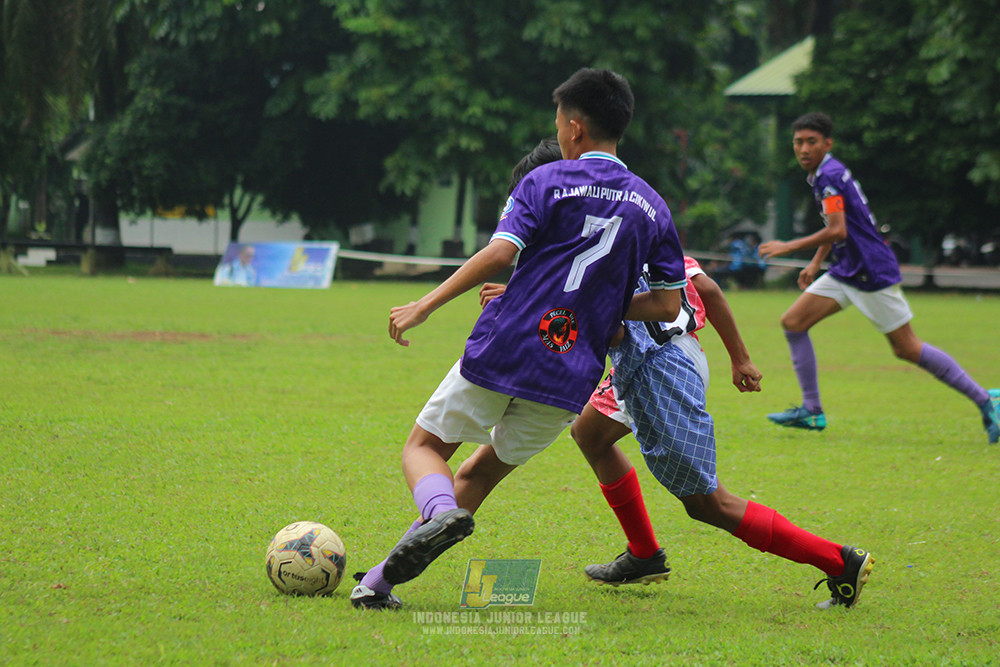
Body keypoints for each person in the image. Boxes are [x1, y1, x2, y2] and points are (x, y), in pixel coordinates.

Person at [350, 68, 688, 610]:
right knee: (479, 472)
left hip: (508, 347)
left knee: (424, 449)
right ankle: (377, 585)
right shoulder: (652, 205)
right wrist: (593, 305)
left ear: (575, 128)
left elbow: (501, 254)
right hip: (571, 374)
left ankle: (437, 515)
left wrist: (424, 304)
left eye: (558, 124)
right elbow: (669, 303)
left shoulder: (546, 181)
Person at [573, 256, 874, 609]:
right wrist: (740, 358)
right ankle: (644, 555)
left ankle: (839, 561)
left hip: (661, 368)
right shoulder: (647, 230)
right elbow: (707, 289)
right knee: (590, 434)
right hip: (668, 355)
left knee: (708, 503)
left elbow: (614, 331)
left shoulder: (603, 247)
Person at [758, 112, 1000, 441]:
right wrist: (816, 263)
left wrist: (789, 246)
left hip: (869, 270)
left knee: (907, 348)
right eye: (798, 142)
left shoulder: (828, 175)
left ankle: (986, 401)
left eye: (811, 142)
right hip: (849, 269)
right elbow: (841, 228)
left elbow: (837, 229)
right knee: (794, 322)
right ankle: (812, 412)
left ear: (827, 144)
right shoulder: (824, 174)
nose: (803, 148)